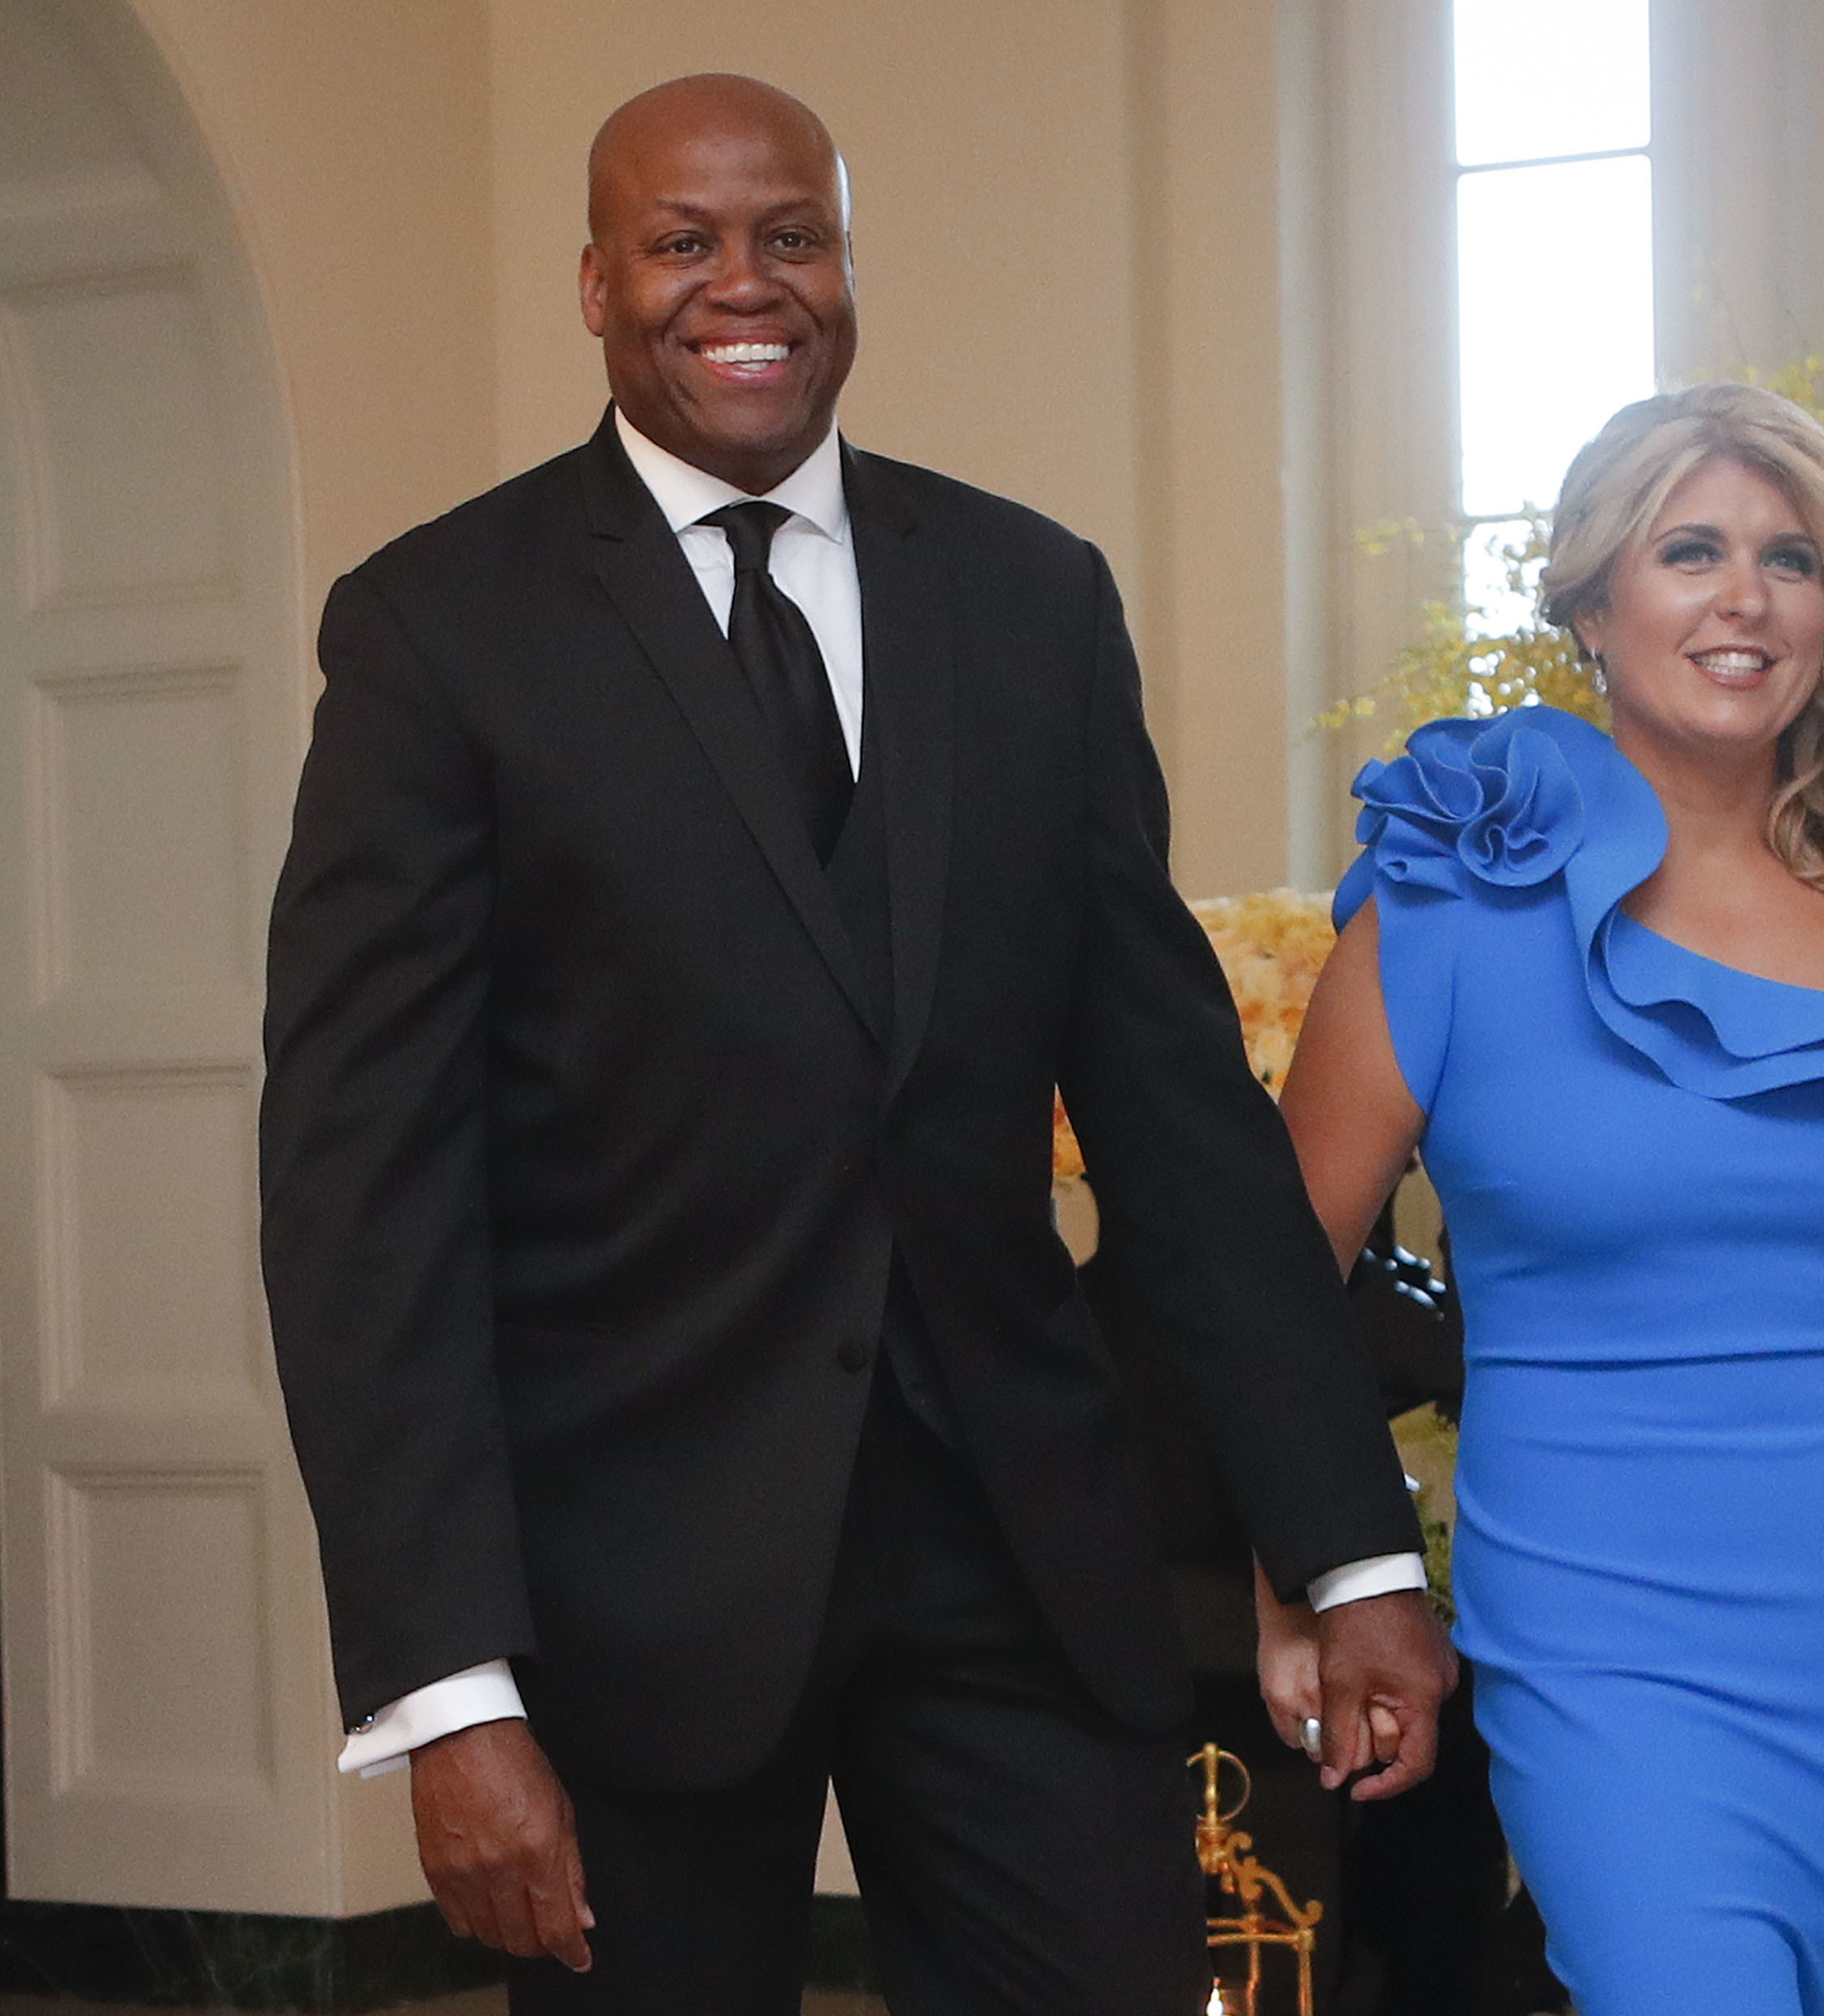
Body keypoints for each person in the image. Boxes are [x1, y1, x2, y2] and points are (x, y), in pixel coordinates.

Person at [260, 73, 1451, 2016]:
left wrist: (1352, 1549)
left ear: (845, 266)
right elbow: (357, 1201)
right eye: (683, 243)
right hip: (625, 1587)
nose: (747, 283)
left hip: (1018, 1551)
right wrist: (443, 1691)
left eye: (792, 234)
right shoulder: (436, 632)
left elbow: (1178, 1128)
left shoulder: (1032, 601)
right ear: (593, 284)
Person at [1258, 382, 1824, 2015]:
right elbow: (1263, 1286)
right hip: (1599, 1618)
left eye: (1789, 558)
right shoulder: (1453, 895)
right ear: (1593, 603)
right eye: (1689, 550)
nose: (1745, 597)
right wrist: (1307, 1589)